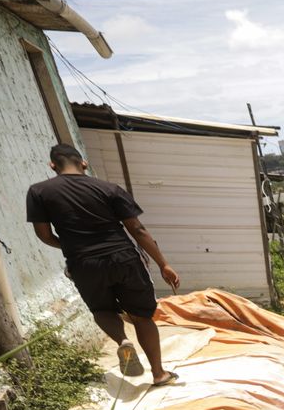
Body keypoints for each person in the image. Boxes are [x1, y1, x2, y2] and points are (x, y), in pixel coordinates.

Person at [27, 144, 181, 385]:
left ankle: (122, 341)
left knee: (102, 310)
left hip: (83, 263)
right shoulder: (109, 189)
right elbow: (137, 229)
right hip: (124, 258)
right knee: (142, 316)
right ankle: (159, 373)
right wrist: (164, 264)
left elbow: (44, 235)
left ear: (52, 165)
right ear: (84, 163)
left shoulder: (39, 192)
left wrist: (73, 247)